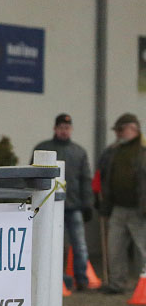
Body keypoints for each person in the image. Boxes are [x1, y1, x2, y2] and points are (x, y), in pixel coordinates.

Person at [33, 114, 94, 290]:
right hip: (49, 205)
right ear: (55, 129)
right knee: (50, 243)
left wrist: (88, 204)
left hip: (73, 205)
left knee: (80, 245)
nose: (64, 131)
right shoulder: (43, 149)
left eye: (67, 128)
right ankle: (54, 279)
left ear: (71, 129)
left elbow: (85, 179)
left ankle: (81, 280)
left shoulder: (79, 152)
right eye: (61, 127)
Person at [96, 113, 146, 294]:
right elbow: (106, 176)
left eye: (120, 129)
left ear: (133, 128)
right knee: (114, 248)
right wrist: (104, 203)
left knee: (143, 250)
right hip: (118, 208)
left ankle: (143, 285)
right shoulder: (114, 150)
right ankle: (117, 283)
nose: (117, 133)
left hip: (140, 210)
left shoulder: (143, 149)